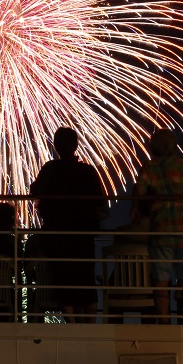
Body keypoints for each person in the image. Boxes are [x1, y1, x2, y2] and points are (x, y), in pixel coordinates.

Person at [30, 126, 107, 323]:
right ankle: (91, 323)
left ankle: (71, 323)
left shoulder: (50, 169)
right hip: (83, 233)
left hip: (58, 234)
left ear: (56, 146)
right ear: (76, 145)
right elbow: (101, 203)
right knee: (86, 276)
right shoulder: (88, 171)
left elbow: (34, 192)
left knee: (63, 277)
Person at [132, 128, 183, 325]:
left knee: (161, 280)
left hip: (162, 230)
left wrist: (136, 209)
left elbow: (139, 191)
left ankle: (164, 321)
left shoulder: (151, 167)